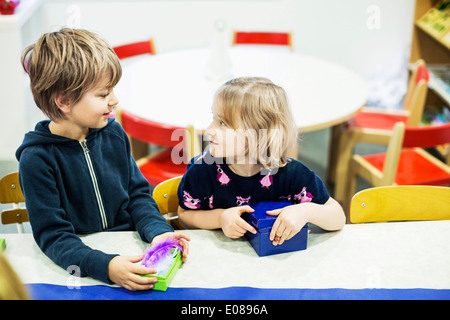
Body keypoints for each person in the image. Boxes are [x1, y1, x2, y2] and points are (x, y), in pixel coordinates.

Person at [16, 28, 189, 291]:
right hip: (81, 269)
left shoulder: (114, 133)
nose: (115, 100)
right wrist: (106, 267)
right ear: (63, 100)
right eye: (103, 94)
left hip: (130, 250)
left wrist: (158, 231)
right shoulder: (36, 159)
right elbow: (53, 237)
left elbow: (137, 195)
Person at [177, 77, 345, 245]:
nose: (209, 130)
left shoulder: (292, 174)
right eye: (214, 118)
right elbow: (184, 215)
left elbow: (338, 217)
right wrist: (220, 218)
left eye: (222, 123)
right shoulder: (202, 170)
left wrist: (307, 211)